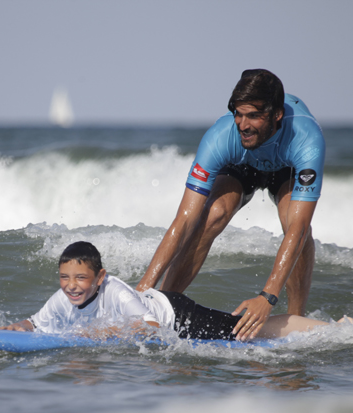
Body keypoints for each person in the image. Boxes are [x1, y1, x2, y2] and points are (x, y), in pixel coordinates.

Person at [135, 69, 325, 342]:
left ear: (276, 115)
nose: (243, 124)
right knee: (211, 214)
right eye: (238, 113)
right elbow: (183, 221)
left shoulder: (307, 138)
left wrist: (267, 297)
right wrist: (142, 292)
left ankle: (297, 320)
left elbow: (298, 227)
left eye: (253, 116)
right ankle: (163, 304)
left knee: (294, 224)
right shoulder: (222, 135)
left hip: (287, 168)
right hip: (242, 164)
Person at [0, 241, 336, 341]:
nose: (72, 285)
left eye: (81, 278)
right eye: (64, 277)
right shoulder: (64, 297)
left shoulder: (115, 291)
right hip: (165, 312)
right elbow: (35, 322)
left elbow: (151, 328)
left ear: (99, 277)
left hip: (175, 313)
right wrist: (17, 329)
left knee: (240, 331)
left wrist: (106, 331)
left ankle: (326, 329)